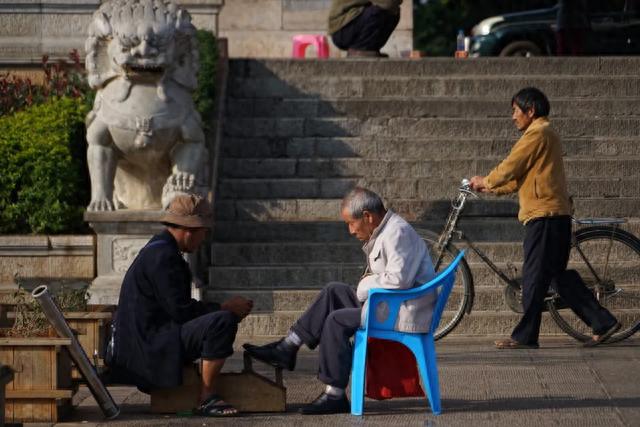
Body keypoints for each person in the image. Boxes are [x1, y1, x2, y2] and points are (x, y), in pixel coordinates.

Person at [243, 187, 436, 414]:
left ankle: (334, 394)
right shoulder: (387, 230)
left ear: (367, 216)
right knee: (334, 291)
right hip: (388, 305)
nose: (350, 231)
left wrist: (365, 285)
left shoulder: (397, 233)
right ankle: (288, 346)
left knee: (336, 320)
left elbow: (399, 281)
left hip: (401, 310)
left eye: (351, 223)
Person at [469, 87, 620, 349]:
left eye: (516, 111)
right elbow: (519, 179)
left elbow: (511, 165)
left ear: (531, 111)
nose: (513, 117)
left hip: (545, 216)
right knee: (555, 277)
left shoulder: (538, 133)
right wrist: (490, 188)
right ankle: (602, 321)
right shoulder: (542, 134)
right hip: (552, 214)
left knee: (534, 276)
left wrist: (487, 179)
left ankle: (525, 336)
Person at [108, 194, 253, 417]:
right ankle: (207, 397)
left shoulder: (160, 248)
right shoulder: (163, 256)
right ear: (190, 230)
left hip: (150, 339)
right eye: (203, 233)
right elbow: (181, 311)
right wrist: (224, 308)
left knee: (219, 317)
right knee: (222, 321)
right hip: (149, 349)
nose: (203, 239)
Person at [328, 0, 403, 57]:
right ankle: (359, 49)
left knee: (394, 13)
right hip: (341, 30)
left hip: (352, 22)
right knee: (378, 11)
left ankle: (370, 48)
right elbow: (388, 3)